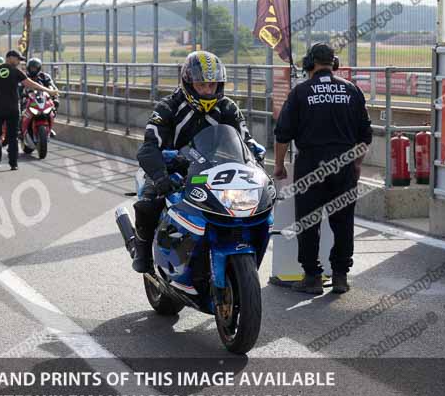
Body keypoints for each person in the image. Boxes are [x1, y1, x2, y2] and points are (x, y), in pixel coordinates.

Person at [132, 50, 265, 273]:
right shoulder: (168, 107)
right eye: (201, 85)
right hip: (172, 171)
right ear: (188, 83)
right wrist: (161, 177)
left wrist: (256, 160)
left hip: (216, 171)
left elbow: (246, 141)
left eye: (212, 85)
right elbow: (149, 148)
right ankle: (142, 251)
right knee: (148, 204)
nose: (207, 90)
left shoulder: (228, 107)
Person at [273, 43, 372, 295]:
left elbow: (282, 135)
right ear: (333, 63)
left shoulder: (300, 92)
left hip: (311, 165)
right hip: (344, 164)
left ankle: (312, 277)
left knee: (308, 222)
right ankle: (340, 276)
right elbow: (365, 136)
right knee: (343, 223)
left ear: (310, 64)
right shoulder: (352, 90)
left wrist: (279, 165)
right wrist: (356, 165)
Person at [0, 50, 59, 170]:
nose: (19, 62)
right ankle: (13, 164)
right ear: (10, 58)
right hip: (12, 109)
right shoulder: (16, 72)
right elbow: (31, 84)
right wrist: (49, 91)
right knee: (12, 137)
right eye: (18, 59)